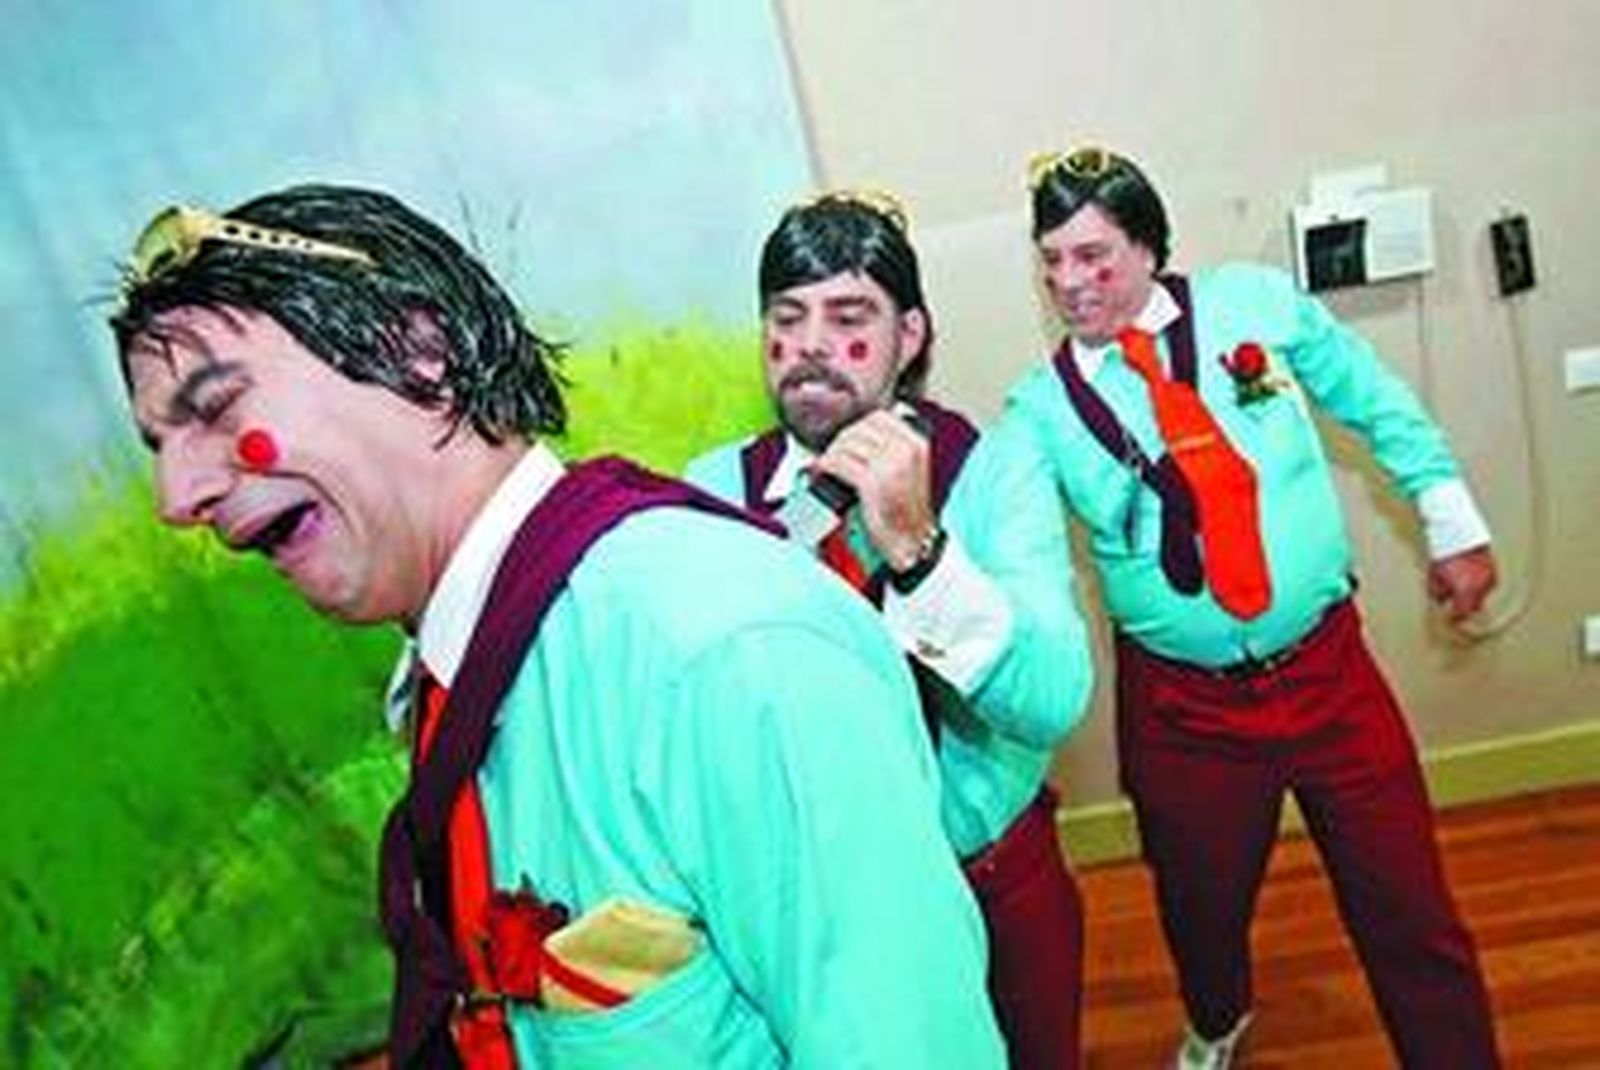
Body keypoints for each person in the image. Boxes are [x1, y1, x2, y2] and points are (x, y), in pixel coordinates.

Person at [110, 184, 1007, 1068]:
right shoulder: (460, 661)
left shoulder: (726, 653)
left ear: (419, 353)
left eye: (215, 407)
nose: (176, 498)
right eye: (158, 445)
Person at [1006, 146, 1502, 1070]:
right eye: (1053, 261)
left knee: (1410, 909)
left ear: (1149, 247)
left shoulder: (1254, 306)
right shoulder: (1037, 413)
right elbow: (1020, 552)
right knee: (1198, 907)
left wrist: (1450, 519)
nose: (1070, 282)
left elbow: (1373, 400)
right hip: (1182, 712)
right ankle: (1217, 1019)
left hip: (1328, 675)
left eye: (1094, 256)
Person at [686, 189, 1095, 1069]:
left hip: (990, 878)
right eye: (786, 317)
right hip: (814, 911)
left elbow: (1055, 700)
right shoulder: (712, 492)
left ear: (909, 336)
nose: (810, 346)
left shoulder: (995, 466)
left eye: (848, 317)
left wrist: (918, 550)